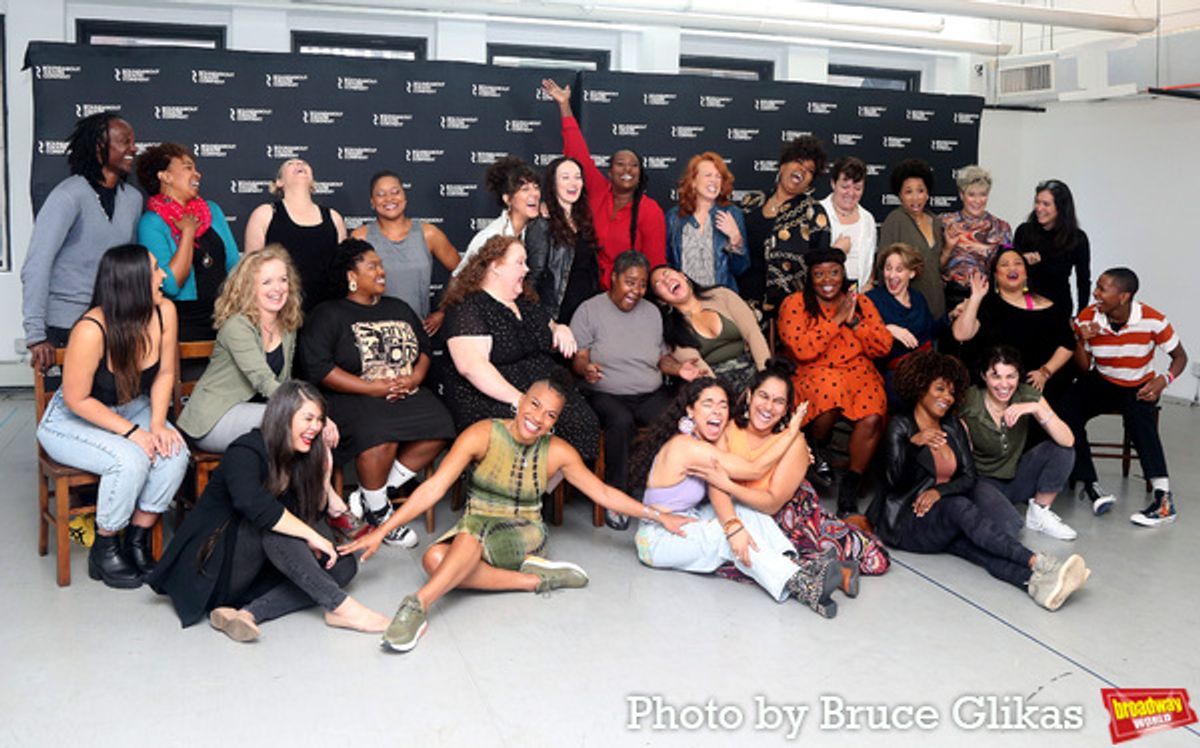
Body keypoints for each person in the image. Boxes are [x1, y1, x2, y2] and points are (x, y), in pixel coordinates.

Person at [339, 375, 693, 652]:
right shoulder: (483, 434)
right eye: (534, 405)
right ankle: (535, 580)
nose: (537, 418)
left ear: (555, 421)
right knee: (433, 558)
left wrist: (657, 515)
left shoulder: (557, 451)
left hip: (524, 531)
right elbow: (434, 487)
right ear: (520, 400)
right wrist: (382, 529)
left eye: (549, 414)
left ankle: (417, 605)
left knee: (465, 538)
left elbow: (601, 493)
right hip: (477, 526)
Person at [149, 381, 390, 642]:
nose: (316, 427)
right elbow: (256, 507)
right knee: (276, 527)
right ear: (283, 415)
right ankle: (343, 608)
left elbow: (312, 514)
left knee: (342, 565)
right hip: (216, 569)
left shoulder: (301, 455)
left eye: (319, 419)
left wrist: (324, 480)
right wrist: (312, 536)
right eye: (308, 418)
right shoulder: (245, 451)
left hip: (259, 572)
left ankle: (248, 614)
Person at [865, 351, 1089, 611]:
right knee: (961, 508)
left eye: (950, 392)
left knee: (978, 550)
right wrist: (913, 446)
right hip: (906, 522)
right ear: (920, 387)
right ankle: (1040, 563)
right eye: (939, 389)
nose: (946, 398)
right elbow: (894, 483)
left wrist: (939, 492)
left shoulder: (951, 426)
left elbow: (969, 477)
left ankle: (1037, 586)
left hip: (939, 513)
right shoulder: (901, 426)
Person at [36, 245, 189, 589]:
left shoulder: (165, 311)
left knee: (173, 449)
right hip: (71, 419)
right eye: (154, 270)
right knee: (130, 459)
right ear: (133, 282)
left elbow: (165, 374)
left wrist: (156, 425)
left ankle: (137, 539)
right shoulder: (91, 328)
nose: (163, 275)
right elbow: (77, 398)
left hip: (131, 406)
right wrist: (134, 432)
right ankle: (105, 548)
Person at [628, 378, 846, 617]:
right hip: (658, 540)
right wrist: (792, 432)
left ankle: (796, 564)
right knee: (730, 535)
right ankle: (802, 585)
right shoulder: (687, 447)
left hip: (687, 519)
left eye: (723, 405)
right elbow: (754, 469)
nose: (717, 411)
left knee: (744, 510)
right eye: (708, 404)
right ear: (690, 410)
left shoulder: (702, 441)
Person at [300, 239, 455, 545]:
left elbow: (424, 348)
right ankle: (381, 514)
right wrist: (371, 388)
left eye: (381, 265)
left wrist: (414, 379)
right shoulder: (328, 313)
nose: (381, 271)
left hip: (404, 391)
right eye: (372, 266)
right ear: (351, 276)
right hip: (352, 396)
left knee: (441, 426)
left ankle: (373, 497)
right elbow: (319, 368)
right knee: (379, 432)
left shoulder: (398, 307)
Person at [702, 359, 891, 592]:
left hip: (791, 516)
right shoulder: (728, 429)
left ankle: (850, 530)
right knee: (733, 555)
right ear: (749, 396)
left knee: (876, 560)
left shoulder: (794, 442)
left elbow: (772, 504)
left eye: (778, 401)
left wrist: (728, 486)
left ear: (786, 409)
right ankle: (823, 572)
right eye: (763, 396)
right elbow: (714, 482)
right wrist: (732, 525)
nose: (769, 407)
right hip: (746, 512)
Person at [441, 235, 600, 463]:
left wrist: (560, 328)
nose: (526, 269)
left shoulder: (525, 304)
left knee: (582, 422)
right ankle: (520, 492)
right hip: (494, 398)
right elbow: (472, 367)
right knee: (534, 429)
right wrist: (521, 400)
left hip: (541, 394)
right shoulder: (468, 307)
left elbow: (548, 324)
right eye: (519, 262)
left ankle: (540, 493)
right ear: (496, 266)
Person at [1059, 267, 1187, 525]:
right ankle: (1092, 485)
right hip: (1103, 380)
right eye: (1097, 287)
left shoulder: (1152, 319)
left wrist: (1164, 380)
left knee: (1141, 421)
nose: (1096, 293)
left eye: (1103, 289)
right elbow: (1084, 368)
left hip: (1138, 383)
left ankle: (1163, 500)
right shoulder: (1088, 317)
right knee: (1066, 410)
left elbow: (1180, 357)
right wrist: (1080, 340)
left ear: (1124, 296)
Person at [22, 112, 140, 372]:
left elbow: (127, 267)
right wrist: (36, 334)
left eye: (133, 141)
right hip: (67, 324)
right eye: (125, 141)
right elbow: (37, 264)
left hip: (115, 324)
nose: (134, 148)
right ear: (100, 147)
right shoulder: (68, 196)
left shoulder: (132, 199)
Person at [777, 250, 892, 517]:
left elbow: (883, 345)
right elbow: (801, 350)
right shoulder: (795, 303)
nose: (827, 279)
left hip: (858, 371)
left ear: (843, 274)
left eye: (834, 272)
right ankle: (818, 444)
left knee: (873, 415)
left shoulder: (859, 303)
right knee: (828, 393)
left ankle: (850, 485)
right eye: (819, 274)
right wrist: (836, 320)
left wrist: (853, 322)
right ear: (810, 277)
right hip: (813, 371)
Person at [570, 251, 675, 527]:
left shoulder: (652, 313)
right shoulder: (589, 310)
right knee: (620, 421)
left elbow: (661, 357)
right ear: (613, 278)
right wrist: (586, 369)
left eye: (642, 285)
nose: (636, 291)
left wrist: (680, 368)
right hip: (606, 393)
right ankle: (616, 496)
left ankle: (667, 494)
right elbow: (579, 358)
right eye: (630, 282)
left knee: (676, 418)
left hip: (648, 392)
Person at [177, 245, 306, 452]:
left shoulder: (287, 325)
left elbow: (284, 381)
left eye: (283, 280)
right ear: (249, 288)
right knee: (293, 423)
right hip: (214, 418)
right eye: (267, 282)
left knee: (298, 426)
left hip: (258, 414)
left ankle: (310, 485)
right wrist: (309, 411)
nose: (278, 288)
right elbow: (263, 380)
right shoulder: (237, 325)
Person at [541, 78, 666, 284]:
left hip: (626, 296)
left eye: (634, 165)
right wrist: (564, 105)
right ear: (609, 171)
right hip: (587, 288)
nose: (627, 169)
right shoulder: (598, 191)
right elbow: (577, 150)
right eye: (621, 164)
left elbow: (655, 263)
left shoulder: (650, 211)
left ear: (640, 173)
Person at [959, 346, 1077, 541]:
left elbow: (1068, 440)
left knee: (1062, 450)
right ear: (983, 376)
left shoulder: (1026, 394)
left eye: (1011, 376)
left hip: (1016, 477)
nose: (1004, 384)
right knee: (1010, 526)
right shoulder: (969, 399)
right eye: (996, 377)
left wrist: (1036, 408)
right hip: (982, 482)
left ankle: (1039, 512)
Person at [136, 142, 240, 341]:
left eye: (195, 167)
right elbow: (172, 285)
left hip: (225, 319)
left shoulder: (212, 211)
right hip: (182, 322)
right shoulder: (151, 223)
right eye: (187, 167)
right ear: (165, 176)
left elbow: (235, 266)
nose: (197, 173)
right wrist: (188, 233)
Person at [952, 249, 1076, 404]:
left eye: (1018, 263)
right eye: (1005, 265)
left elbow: (1068, 344)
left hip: (1038, 387)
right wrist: (975, 297)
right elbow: (961, 334)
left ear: (1025, 273)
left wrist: (1045, 372)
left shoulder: (1049, 307)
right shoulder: (985, 304)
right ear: (996, 275)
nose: (1012, 268)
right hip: (993, 388)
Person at [351, 170, 461, 335]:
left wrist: (444, 311)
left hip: (417, 332)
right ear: (372, 202)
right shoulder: (360, 236)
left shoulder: (428, 233)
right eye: (381, 194)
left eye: (395, 192)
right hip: (372, 333)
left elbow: (463, 271)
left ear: (405, 196)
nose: (389, 199)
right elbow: (348, 285)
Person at [739, 136, 832, 315]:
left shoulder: (814, 212)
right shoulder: (751, 202)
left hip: (791, 313)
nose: (802, 170)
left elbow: (820, 266)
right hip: (744, 307)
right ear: (782, 165)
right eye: (798, 162)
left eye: (810, 170)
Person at [244, 158, 348, 312]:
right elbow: (250, 272)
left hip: (326, 315)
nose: (300, 165)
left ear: (312, 179)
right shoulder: (265, 214)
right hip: (280, 314)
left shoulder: (334, 218)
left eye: (304, 163)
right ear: (279, 182)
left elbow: (342, 273)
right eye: (291, 164)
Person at [651, 266, 769, 393]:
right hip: (713, 382)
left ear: (683, 276)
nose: (666, 281)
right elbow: (698, 367)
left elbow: (753, 333)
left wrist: (766, 379)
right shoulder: (673, 328)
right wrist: (720, 399)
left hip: (752, 369)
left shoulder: (722, 295)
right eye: (659, 284)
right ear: (661, 300)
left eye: (667, 274)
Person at [865, 242, 947, 409]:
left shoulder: (918, 298)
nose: (891, 275)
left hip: (926, 367)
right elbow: (859, 334)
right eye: (888, 268)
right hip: (893, 374)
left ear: (912, 273)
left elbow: (930, 331)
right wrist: (887, 329)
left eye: (899, 269)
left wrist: (951, 316)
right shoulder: (872, 299)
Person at [525, 156, 600, 323]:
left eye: (577, 177)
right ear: (553, 183)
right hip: (557, 316)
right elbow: (533, 278)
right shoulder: (542, 224)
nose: (573, 183)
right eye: (565, 177)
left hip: (585, 315)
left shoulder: (583, 220)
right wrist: (545, 321)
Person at [666, 152, 748, 291]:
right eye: (708, 175)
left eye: (718, 176)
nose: (714, 181)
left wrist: (736, 238)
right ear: (693, 181)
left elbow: (740, 269)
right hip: (686, 300)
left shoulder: (732, 214)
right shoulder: (674, 217)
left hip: (722, 300)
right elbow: (666, 263)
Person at [878, 159, 946, 319]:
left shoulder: (935, 221)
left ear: (927, 193)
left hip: (937, 305)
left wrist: (950, 247)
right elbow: (884, 269)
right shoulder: (895, 220)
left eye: (920, 190)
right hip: (906, 311)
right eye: (908, 192)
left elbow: (938, 266)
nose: (915, 198)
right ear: (900, 195)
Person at [939, 165, 1012, 312]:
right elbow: (934, 268)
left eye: (983, 194)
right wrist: (948, 247)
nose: (977, 200)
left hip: (987, 299)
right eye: (972, 194)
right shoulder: (945, 223)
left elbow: (1007, 268)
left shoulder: (1001, 227)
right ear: (961, 194)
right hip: (950, 298)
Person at [1014, 179, 1091, 316]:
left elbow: (1083, 281)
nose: (1039, 208)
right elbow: (1009, 271)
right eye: (1037, 202)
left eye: (1046, 204)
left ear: (1061, 207)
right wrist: (1021, 259)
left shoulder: (1077, 238)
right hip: (1025, 306)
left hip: (1059, 309)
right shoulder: (1024, 231)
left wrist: (1081, 316)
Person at [457, 156, 541, 269]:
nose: (534, 193)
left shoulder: (540, 231)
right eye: (525, 189)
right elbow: (460, 278)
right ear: (507, 199)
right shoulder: (490, 236)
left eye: (536, 187)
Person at [820, 156, 876, 289]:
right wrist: (836, 252)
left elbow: (870, 260)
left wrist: (868, 283)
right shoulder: (817, 213)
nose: (851, 193)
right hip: (823, 294)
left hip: (859, 294)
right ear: (833, 184)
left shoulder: (868, 219)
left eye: (857, 188)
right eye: (845, 187)